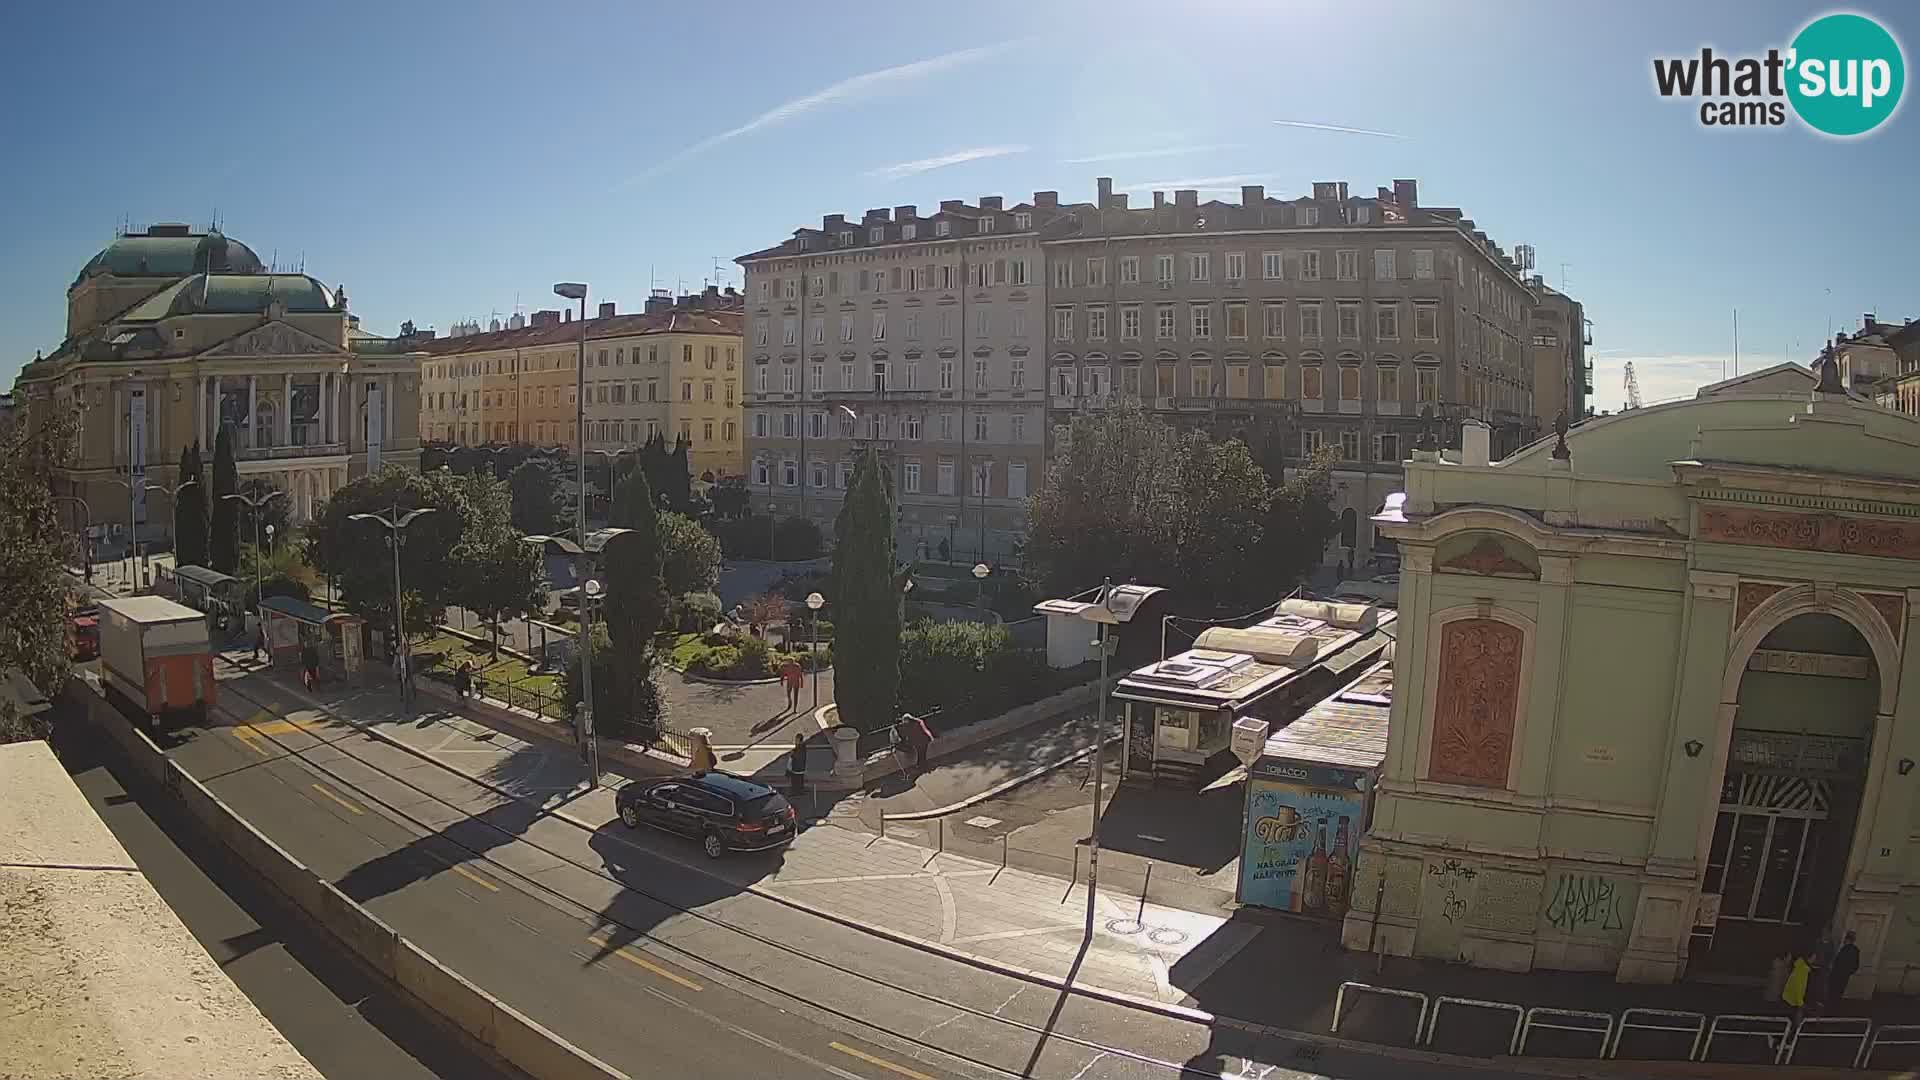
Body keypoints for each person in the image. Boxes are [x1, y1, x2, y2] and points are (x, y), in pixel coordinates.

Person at [1828, 931, 1861, 1005]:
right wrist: (1849, 972)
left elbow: (1838, 962)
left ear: (1847, 939)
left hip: (1838, 974)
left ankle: (1832, 1005)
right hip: (1845, 975)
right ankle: (1834, 1005)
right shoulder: (1855, 950)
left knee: (1833, 991)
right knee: (1839, 991)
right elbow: (1856, 965)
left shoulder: (1845, 949)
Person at [1781, 947, 1812, 1019]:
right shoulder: (1803, 970)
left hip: (1788, 997)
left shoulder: (1798, 965)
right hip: (1794, 1001)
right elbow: (1800, 987)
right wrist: (1800, 1003)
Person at [786, 732, 808, 799]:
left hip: (797, 768)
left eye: (797, 740)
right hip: (800, 768)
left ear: (800, 740)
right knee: (799, 781)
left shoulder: (800, 749)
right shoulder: (801, 747)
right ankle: (800, 791)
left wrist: (792, 754)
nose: (795, 741)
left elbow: (797, 757)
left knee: (795, 781)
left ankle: (795, 792)